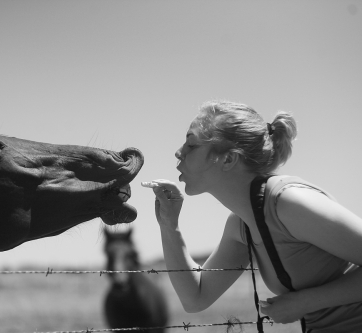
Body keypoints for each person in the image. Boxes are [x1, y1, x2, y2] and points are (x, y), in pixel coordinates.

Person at [147, 101, 362, 332]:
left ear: (228, 159)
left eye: (191, 144)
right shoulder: (241, 224)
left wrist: (304, 302)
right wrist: (170, 226)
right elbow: (196, 298)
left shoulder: (289, 203)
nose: (179, 152)